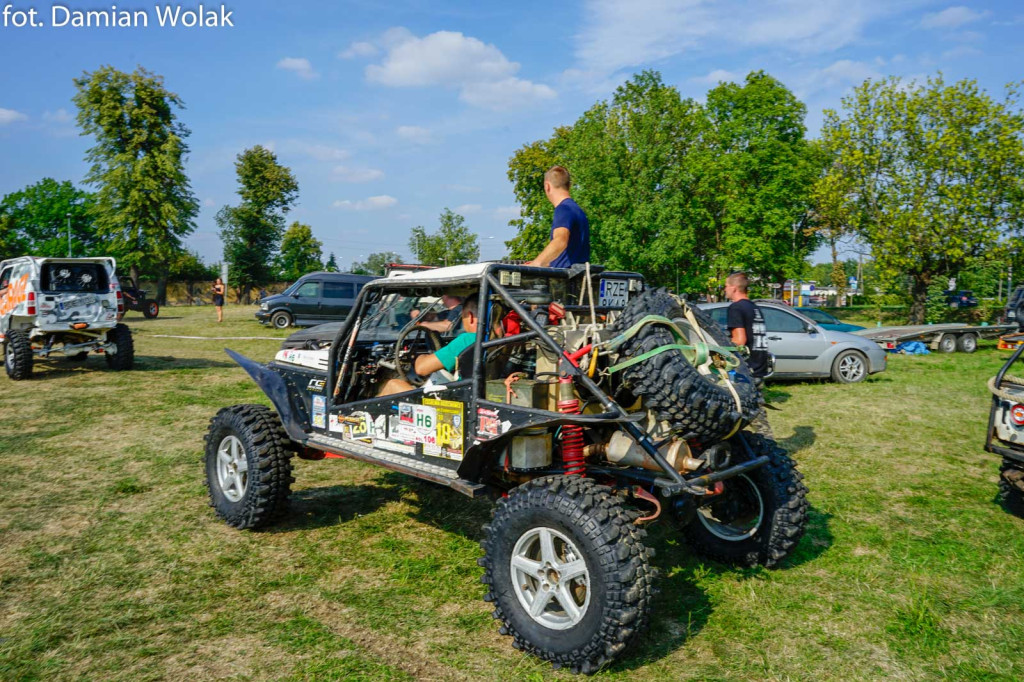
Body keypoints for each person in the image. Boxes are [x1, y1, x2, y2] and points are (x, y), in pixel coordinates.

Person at [378, 297, 488, 396]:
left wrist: (419, 358)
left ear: (471, 317)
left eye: (463, 318)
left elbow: (421, 369)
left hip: (457, 401)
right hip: (474, 395)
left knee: (393, 385)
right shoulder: (495, 339)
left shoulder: (468, 339)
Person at [724, 272, 772, 437]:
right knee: (753, 408)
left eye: (726, 286)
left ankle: (768, 444)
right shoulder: (754, 308)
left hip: (746, 369)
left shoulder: (736, 308)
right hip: (759, 364)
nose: (725, 289)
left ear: (734, 288)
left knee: (748, 410)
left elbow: (740, 340)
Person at [525, 166, 590, 268]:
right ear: (569, 185)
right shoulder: (578, 211)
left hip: (565, 281)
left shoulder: (563, 209)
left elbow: (560, 241)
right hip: (579, 277)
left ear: (547, 186)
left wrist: (535, 264)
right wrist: (544, 262)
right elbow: (569, 256)